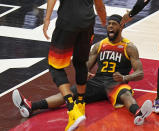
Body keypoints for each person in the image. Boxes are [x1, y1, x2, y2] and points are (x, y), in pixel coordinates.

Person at [12, 14, 153, 127]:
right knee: (68, 94)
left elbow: (140, 73)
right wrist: (84, 72)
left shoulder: (129, 47)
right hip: (97, 82)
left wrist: (124, 78)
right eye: (108, 24)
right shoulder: (99, 45)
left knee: (125, 94)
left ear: (121, 27)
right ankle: (31, 106)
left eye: (113, 24)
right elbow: (86, 66)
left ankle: (138, 113)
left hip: (115, 84)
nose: (110, 26)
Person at [14, 0, 106, 131]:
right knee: (80, 62)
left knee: (55, 65)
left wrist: (46, 19)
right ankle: (80, 105)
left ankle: (72, 109)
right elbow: (99, 4)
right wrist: (103, 19)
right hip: (87, 23)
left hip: (67, 23)